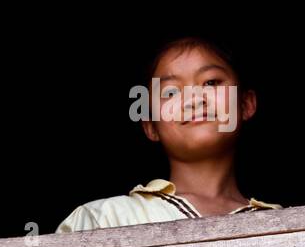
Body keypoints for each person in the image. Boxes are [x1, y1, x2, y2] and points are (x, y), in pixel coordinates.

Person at [55, 34, 280, 232]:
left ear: (245, 104)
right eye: (171, 92)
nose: (193, 99)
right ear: (151, 126)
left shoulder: (279, 224)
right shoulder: (102, 220)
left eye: (211, 82)